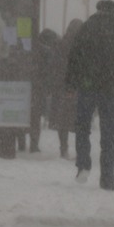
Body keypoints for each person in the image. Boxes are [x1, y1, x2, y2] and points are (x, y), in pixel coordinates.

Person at [65, 0, 114, 191]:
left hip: (88, 86)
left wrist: (72, 82)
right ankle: (107, 178)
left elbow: (74, 56)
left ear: (99, 10)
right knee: (109, 133)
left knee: (83, 126)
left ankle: (83, 164)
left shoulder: (87, 27)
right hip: (112, 89)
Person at [50, 19, 83, 159]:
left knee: (63, 121)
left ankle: (63, 148)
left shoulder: (61, 44)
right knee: (80, 121)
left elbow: (55, 66)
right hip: (78, 87)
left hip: (63, 86)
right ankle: (80, 149)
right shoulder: (85, 45)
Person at [29, 28, 61, 153]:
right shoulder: (48, 52)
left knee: (30, 114)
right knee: (35, 116)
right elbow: (50, 71)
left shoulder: (32, 48)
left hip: (31, 84)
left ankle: (21, 142)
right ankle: (33, 144)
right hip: (40, 86)